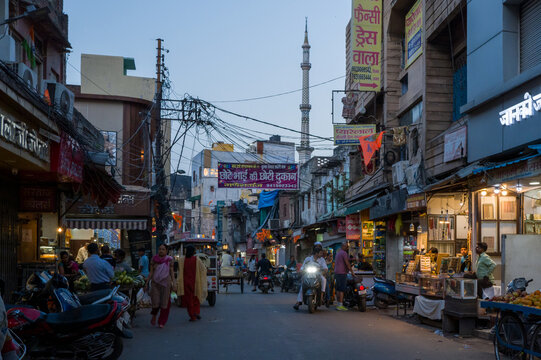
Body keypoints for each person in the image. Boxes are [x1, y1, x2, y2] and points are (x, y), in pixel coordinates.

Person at [145, 244, 175, 328]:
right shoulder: (154, 259)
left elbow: (172, 272)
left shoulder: (169, 260)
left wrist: (174, 283)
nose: (161, 251)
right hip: (155, 283)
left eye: (163, 249)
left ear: (166, 251)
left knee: (164, 304)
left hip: (166, 283)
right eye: (160, 249)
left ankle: (162, 321)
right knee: (156, 302)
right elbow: (151, 272)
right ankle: (154, 315)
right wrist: (146, 283)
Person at [177, 245, 208, 322]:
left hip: (185, 283)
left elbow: (179, 270)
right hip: (195, 282)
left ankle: (192, 315)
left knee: (189, 300)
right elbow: (203, 269)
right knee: (196, 298)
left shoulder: (181, 260)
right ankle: (196, 312)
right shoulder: (196, 260)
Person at [293, 246, 328, 310]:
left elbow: (325, 268)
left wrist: (324, 270)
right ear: (316, 253)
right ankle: (298, 302)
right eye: (320, 253)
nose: (321, 254)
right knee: (302, 285)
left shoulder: (322, 260)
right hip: (308, 275)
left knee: (324, 280)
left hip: (318, 275)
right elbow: (303, 267)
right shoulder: (308, 259)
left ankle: (322, 295)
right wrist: (301, 270)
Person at [334, 242, 356, 311]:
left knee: (338, 289)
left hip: (337, 272)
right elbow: (347, 263)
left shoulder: (338, 252)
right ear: (343, 246)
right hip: (342, 273)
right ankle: (340, 305)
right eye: (346, 247)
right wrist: (352, 272)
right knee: (341, 289)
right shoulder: (344, 253)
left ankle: (338, 304)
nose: (347, 248)